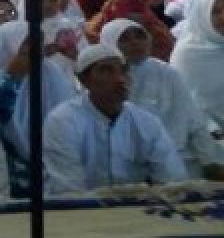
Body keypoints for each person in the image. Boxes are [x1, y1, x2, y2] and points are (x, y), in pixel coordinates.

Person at [42, 44, 186, 195]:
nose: (119, 79)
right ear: (84, 80)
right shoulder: (63, 120)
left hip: (135, 210)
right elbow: (68, 189)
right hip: (77, 213)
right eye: (106, 71)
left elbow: (172, 181)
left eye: (123, 71)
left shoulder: (146, 122)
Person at [100, 18, 224, 180]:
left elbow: (194, 120)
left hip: (178, 159)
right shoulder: (100, 78)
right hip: (123, 166)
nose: (135, 43)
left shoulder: (166, 73)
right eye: (124, 39)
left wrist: (210, 161)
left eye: (140, 36)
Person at [170, 0, 224, 128]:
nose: (223, 16)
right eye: (216, 12)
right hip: (207, 132)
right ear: (202, 17)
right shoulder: (187, 55)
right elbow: (185, 103)